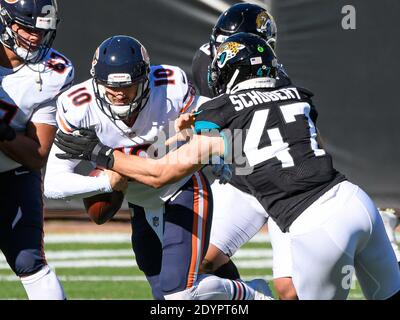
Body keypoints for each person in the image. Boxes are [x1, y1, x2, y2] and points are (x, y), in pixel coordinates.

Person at [55, 33, 400, 300]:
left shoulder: (220, 111)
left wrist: (103, 155)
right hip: (354, 200)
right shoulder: (297, 95)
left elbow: (160, 174)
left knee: (196, 291)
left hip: (314, 223)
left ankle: (252, 295)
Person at [45, 35, 273, 300]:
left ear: (144, 80)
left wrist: (213, 148)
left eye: (128, 87)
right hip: (141, 202)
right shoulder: (78, 107)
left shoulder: (169, 87)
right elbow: (53, 184)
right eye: (110, 87)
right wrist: (107, 183)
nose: (119, 94)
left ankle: (254, 295)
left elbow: (206, 114)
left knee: (179, 294)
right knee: (166, 297)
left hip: (182, 188)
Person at [191, 2, 296, 299]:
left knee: (290, 290)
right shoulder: (204, 61)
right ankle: (252, 295)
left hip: (282, 185)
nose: (225, 55)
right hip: (242, 178)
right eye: (222, 44)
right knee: (197, 264)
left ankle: (381, 249)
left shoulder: (277, 78)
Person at [0, 0, 74, 299]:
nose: (35, 37)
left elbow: (38, 154)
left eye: (42, 31)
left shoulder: (53, 71)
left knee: (29, 261)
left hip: (13, 176)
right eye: (27, 28)